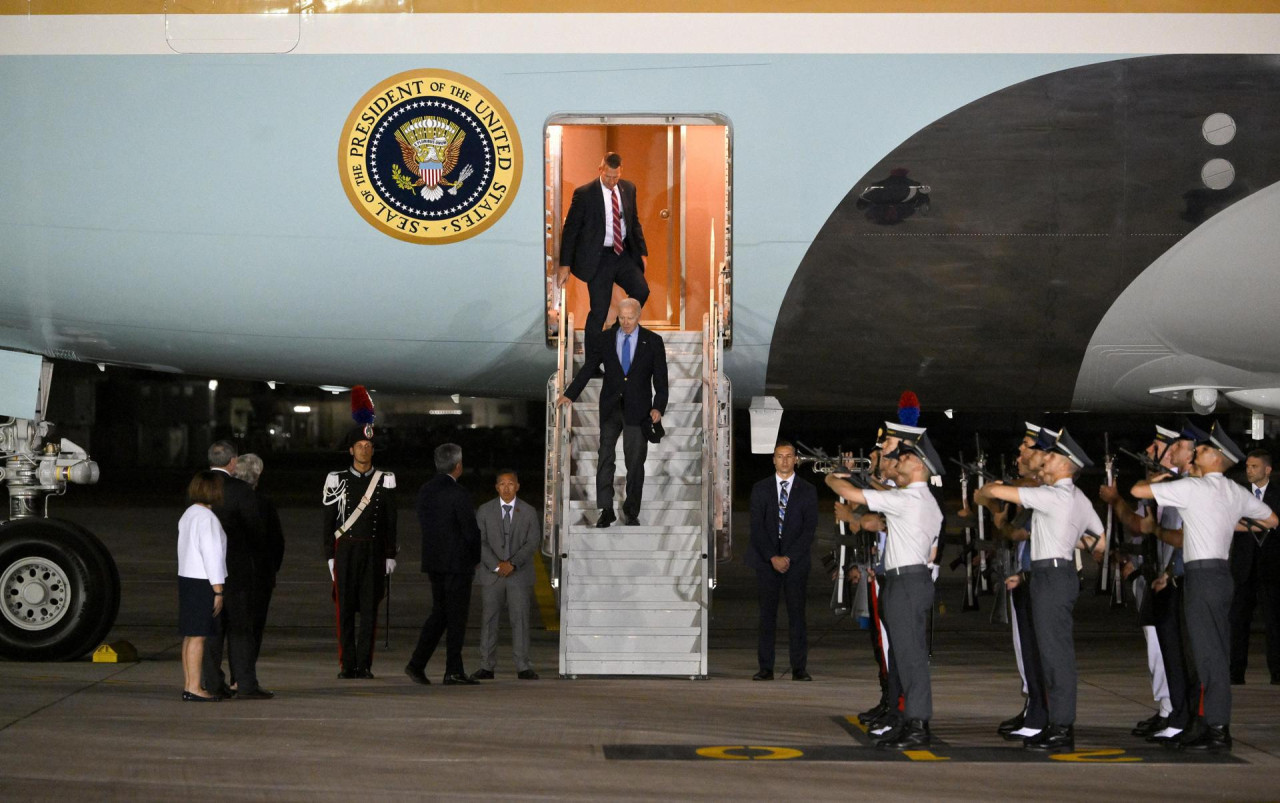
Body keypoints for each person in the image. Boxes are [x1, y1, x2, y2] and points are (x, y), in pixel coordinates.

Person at [1133, 422, 1278, 750]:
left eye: (1204, 449)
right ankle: (1208, 723)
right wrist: (1226, 522)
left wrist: (1158, 477)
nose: (1197, 451)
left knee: (1208, 655)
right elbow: (1271, 520)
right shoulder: (1232, 491)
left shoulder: (1194, 488)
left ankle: (1216, 729)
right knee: (1209, 653)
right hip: (1220, 575)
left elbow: (1138, 492)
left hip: (1201, 576)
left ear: (1216, 458)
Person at [976, 428, 1105, 751]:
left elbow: (996, 491)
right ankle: (1056, 723)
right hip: (1057, 574)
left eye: (1050, 457)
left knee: (1055, 657)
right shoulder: (1077, 498)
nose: (1044, 462)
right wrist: (1071, 539)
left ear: (1065, 464)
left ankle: (1062, 728)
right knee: (1052, 655)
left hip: (1051, 577)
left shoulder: (1053, 495)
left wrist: (994, 490)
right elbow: (1100, 541)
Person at [827, 430, 945, 748]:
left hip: (907, 582)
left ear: (920, 467)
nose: (900, 460)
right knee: (906, 658)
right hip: (906, 580)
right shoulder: (919, 499)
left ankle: (917, 726)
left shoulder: (910, 498)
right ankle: (910, 722)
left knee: (910, 658)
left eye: (906, 457)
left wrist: (834, 478)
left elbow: (851, 495)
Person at [558, 297, 667, 527]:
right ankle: (606, 509)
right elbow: (589, 367)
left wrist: (658, 407)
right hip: (610, 407)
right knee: (605, 457)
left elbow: (661, 380)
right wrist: (570, 393)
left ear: (639, 317)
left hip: (638, 410)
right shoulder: (605, 339)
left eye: (630, 318)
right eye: (622, 318)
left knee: (635, 462)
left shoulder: (653, 341)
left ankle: (631, 509)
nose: (625, 322)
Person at [555, 152, 649, 355]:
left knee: (641, 291)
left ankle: (614, 333)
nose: (612, 181)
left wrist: (642, 252)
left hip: (623, 254)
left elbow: (634, 223)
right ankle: (593, 361)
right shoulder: (585, 193)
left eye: (616, 177)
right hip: (599, 258)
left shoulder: (628, 188)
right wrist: (565, 264)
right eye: (609, 176)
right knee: (599, 309)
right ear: (601, 170)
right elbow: (570, 230)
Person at [201, 440, 274, 700]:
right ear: (232, 462)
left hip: (204, 570)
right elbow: (256, 531)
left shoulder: (198, 486)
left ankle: (211, 683)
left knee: (212, 629)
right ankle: (245, 683)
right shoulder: (241, 490)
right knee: (240, 630)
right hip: (236, 570)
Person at [323, 430, 398, 679]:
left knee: (369, 609)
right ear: (351, 450)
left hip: (373, 551)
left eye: (368, 445)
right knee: (343, 609)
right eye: (359, 445)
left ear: (373, 450)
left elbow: (390, 520)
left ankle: (364, 664)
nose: (364, 449)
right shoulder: (336, 479)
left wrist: (389, 554)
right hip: (345, 549)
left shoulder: (385, 479)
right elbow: (328, 521)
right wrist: (329, 557)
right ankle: (347, 665)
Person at [406, 443, 482, 686]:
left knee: (440, 614)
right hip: (457, 564)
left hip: (434, 562)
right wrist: (475, 557)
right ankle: (453, 669)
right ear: (458, 466)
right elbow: (470, 531)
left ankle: (417, 663)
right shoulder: (459, 494)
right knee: (456, 618)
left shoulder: (426, 490)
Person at [746, 441, 818, 681]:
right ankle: (766, 667)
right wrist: (772, 557)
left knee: (797, 616)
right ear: (773, 460)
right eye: (780, 456)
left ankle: (799, 668)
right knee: (767, 616)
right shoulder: (760, 488)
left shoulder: (808, 490)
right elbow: (756, 527)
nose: (785, 460)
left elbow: (809, 530)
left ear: (796, 459)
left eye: (789, 456)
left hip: (795, 563)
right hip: (767, 563)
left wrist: (788, 557)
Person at [470, 470, 540, 681]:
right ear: (496, 487)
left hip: (519, 575)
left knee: (520, 620)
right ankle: (486, 665)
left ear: (517, 486)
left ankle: (523, 665)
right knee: (489, 620)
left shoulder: (528, 511)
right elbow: (479, 541)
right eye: (502, 484)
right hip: (493, 575)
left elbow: (532, 542)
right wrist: (497, 565)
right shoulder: (484, 510)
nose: (507, 488)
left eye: (511, 484)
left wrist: (513, 564)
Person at [1230, 449, 1280, 685]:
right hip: (1243, 568)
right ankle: (1235, 671)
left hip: (1271, 568)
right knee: (1238, 621)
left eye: (1254, 467)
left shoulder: (1278, 495)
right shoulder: (1238, 494)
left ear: (1267, 470)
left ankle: (1277, 672)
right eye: (1248, 466)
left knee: (1274, 622)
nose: (1249, 471)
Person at [233, 453, 285, 677]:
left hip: (229, 574)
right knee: (253, 628)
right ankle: (243, 677)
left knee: (231, 629)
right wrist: (272, 569)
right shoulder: (263, 504)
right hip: (258, 576)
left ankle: (222, 678)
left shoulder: (223, 501)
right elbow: (277, 542)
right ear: (258, 475)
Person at [178, 470, 227, 702]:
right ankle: (195, 687)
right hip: (202, 581)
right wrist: (218, 590)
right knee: (199, 637)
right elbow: (212, 556)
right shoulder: (208, 518)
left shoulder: (189, 514)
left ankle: (190, 684)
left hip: (187, 579)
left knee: (190, 636)